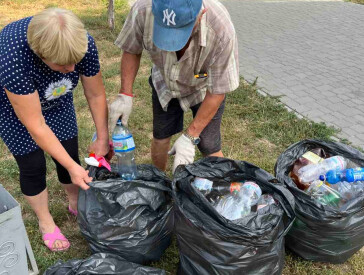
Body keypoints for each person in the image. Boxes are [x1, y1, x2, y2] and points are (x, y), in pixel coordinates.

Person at [0, 8, 109, 251]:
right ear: (40, 54)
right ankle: (45, 221)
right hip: (13, 108)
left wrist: (103, 136)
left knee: (68, 151)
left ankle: (74, 201)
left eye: (75, 61)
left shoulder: (81, 43)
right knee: (32, 164)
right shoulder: (13, 57)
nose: (72, 69)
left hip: (56, 98)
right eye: (63, 63)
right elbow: (35, 124)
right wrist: (74, 169)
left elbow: (96, 92)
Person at [109, 0, 239, 173]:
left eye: (181, 31)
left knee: (209, 145)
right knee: (160, 138)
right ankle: (159, 183)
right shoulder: (142, 10)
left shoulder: (221, 29)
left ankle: (221, 190)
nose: (173, 42)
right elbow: (132, 49)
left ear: (200, 15)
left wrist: (191, 136)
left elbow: (218, 91)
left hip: (203, 87)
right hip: (165, 83)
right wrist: (125, 94)